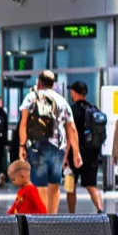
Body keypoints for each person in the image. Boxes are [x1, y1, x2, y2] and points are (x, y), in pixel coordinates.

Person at [17, 70, 80, 214]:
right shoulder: (62, 100)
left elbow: (23, 124)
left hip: (36, 146)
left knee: (39, 185)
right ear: (53, 84)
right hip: (58, 147)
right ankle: (51, 218)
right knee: (54, 184)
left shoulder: (31, 98)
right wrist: (76, 153)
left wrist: (21, 145)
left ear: (38, 83)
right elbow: (72, 129)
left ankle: (40, 218)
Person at [65, 81, 104, 213]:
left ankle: (72, 214)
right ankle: (100, 209)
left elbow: (70, 134)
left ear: (75, 93)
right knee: (91, 185)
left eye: (72, 91)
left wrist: (65, 156)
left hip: (75, 154)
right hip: (92, 153)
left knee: (71, 186)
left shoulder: (72, 110)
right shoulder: (94, 108)